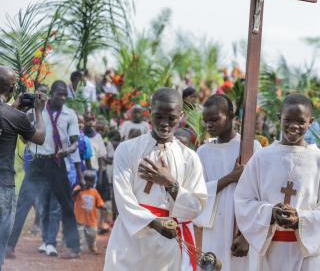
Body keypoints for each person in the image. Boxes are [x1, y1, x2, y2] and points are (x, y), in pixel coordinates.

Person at [234, 94, 320, 271]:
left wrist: (300, 219)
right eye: (288, 120)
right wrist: (270, 213)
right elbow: (243, 200)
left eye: (301, 121)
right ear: (279, 118)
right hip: (268, 250)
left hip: (306, 254)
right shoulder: (262, 157)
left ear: (311, 122)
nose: (294, 126)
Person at [104, 88, 207, 271]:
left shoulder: (189, 158)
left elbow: (196, 206)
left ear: (181, 116)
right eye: (158, 116)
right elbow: (123, 197)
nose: (165, 124)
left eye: (171, 118)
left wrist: (170, 183)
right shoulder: (127, 150)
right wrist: (152, 223)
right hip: (131, 238)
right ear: (149, 113)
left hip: (169, 243)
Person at [194, 94, 262, 270]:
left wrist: (247, 236)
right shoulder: (203, 152)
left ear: (231, 116)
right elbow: (198, 193)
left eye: (215, 119)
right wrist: (230, 178)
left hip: (242, 228)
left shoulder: (251, 147)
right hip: (215, 228)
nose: (209, 125)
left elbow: (262, 196)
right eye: (206, 121)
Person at [28, 80, 83, 259]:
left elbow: (75, 142)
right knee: (43, 206)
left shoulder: (70, 114)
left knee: (65, 207)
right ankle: (47, 241)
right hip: (40, 164)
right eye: (60, 93)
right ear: (51, 93)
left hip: (59, 164)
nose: (63, 97)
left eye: (66, 94)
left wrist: (67, 150)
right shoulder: (39, 110)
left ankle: (73, 247)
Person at [0, 67, 46, 268]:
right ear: (12, 88)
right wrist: (38, 110)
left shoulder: (14, 115)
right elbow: (40, 137)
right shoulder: (15, 117)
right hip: (3, 187)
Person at [73, 170, 105, 254]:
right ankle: (77, 249)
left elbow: (99, 203)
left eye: (91, 180)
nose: (88, 182)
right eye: (86, 180)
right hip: (80, 218)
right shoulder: (78, 188)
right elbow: (72, 195)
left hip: (91, 219)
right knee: (79, 235)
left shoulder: (94, 192)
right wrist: (80, 189)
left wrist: (102, 206)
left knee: (92, 235)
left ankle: (92, 246)